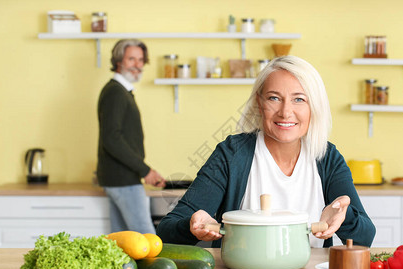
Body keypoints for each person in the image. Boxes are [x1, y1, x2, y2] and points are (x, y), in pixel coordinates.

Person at [157, 55, 375, 248]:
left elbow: (366, 236)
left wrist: (343, 217)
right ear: (259, 104)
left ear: (313, 107)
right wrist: (192, 226)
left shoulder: (326, 157)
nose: (285, 112)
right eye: (274, 98)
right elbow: (166, 231)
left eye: (299, 99)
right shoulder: (232, 154)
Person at [97, 39, 165, 234]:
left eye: (141, 60)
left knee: (121, 240)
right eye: (131, 59)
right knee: (147, 239)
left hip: (118, 178)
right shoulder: (116, 93)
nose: (137, 65)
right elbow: (112, 139)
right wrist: (145, 171)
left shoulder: (120, 91)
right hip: (123, 179)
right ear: (119, 61)